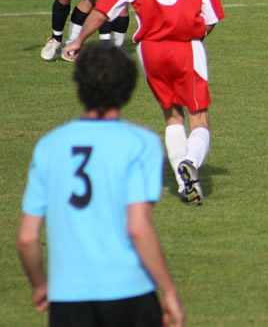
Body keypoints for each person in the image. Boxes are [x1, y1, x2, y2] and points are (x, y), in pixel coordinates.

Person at [64, 0, 225, 203]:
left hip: (150, 51)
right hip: (185, 47)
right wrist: (195, 37)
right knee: (199, 119)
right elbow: (212, 16)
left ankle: (183, 184)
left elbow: (102, 11)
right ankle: (189, 163)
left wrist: (78, 40)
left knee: (172, 115)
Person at [17, 41, 184, 326]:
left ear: (79, 86)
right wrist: (168, 290)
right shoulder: (141, 143)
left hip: (67, 298)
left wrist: (41, 286)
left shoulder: (50, 145)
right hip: (130, 292)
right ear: (128, 90)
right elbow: (138, 226)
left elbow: (27, 237)